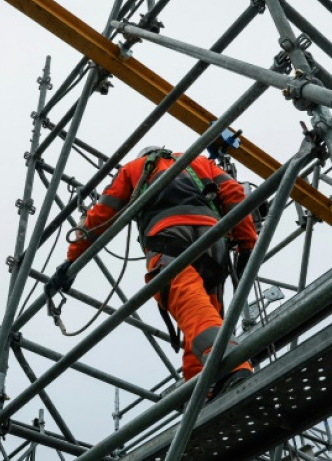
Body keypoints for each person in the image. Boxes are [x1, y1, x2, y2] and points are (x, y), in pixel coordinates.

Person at [47, 146, 258, 398]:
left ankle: (230, 364)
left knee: (188, 302)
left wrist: (71, 261)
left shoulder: (134, 169)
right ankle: (203, 389)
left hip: (169, 237)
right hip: (214, 242)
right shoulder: (199, 162)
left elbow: (100, 217)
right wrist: (247, 244)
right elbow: (234, 193)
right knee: (203, 314)